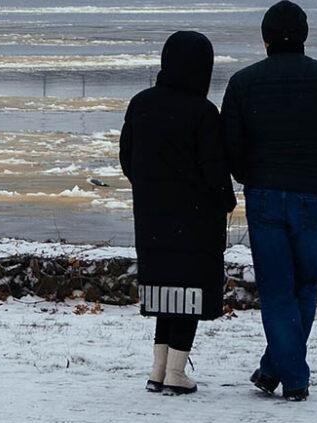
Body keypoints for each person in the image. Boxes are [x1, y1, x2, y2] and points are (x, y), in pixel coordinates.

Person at [221, 0, 317, 402]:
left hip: (266, 196)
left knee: (275, 289)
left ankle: (289, 375)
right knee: (304, 285)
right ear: (304, 36)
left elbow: (230, 146)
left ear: (265, 37)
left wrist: (248, 176)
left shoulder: (243, 82)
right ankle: (278, 369)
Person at [119, 30, 236, 395]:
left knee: (164, 292)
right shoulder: (203, 112)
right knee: (188, 293)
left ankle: (158, 371)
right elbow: (215, 169)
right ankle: (176, 374)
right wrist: (225, 201)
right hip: (195, 219)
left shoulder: (141, 104)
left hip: (152, 217)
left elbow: (127, 158)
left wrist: (151, 187)